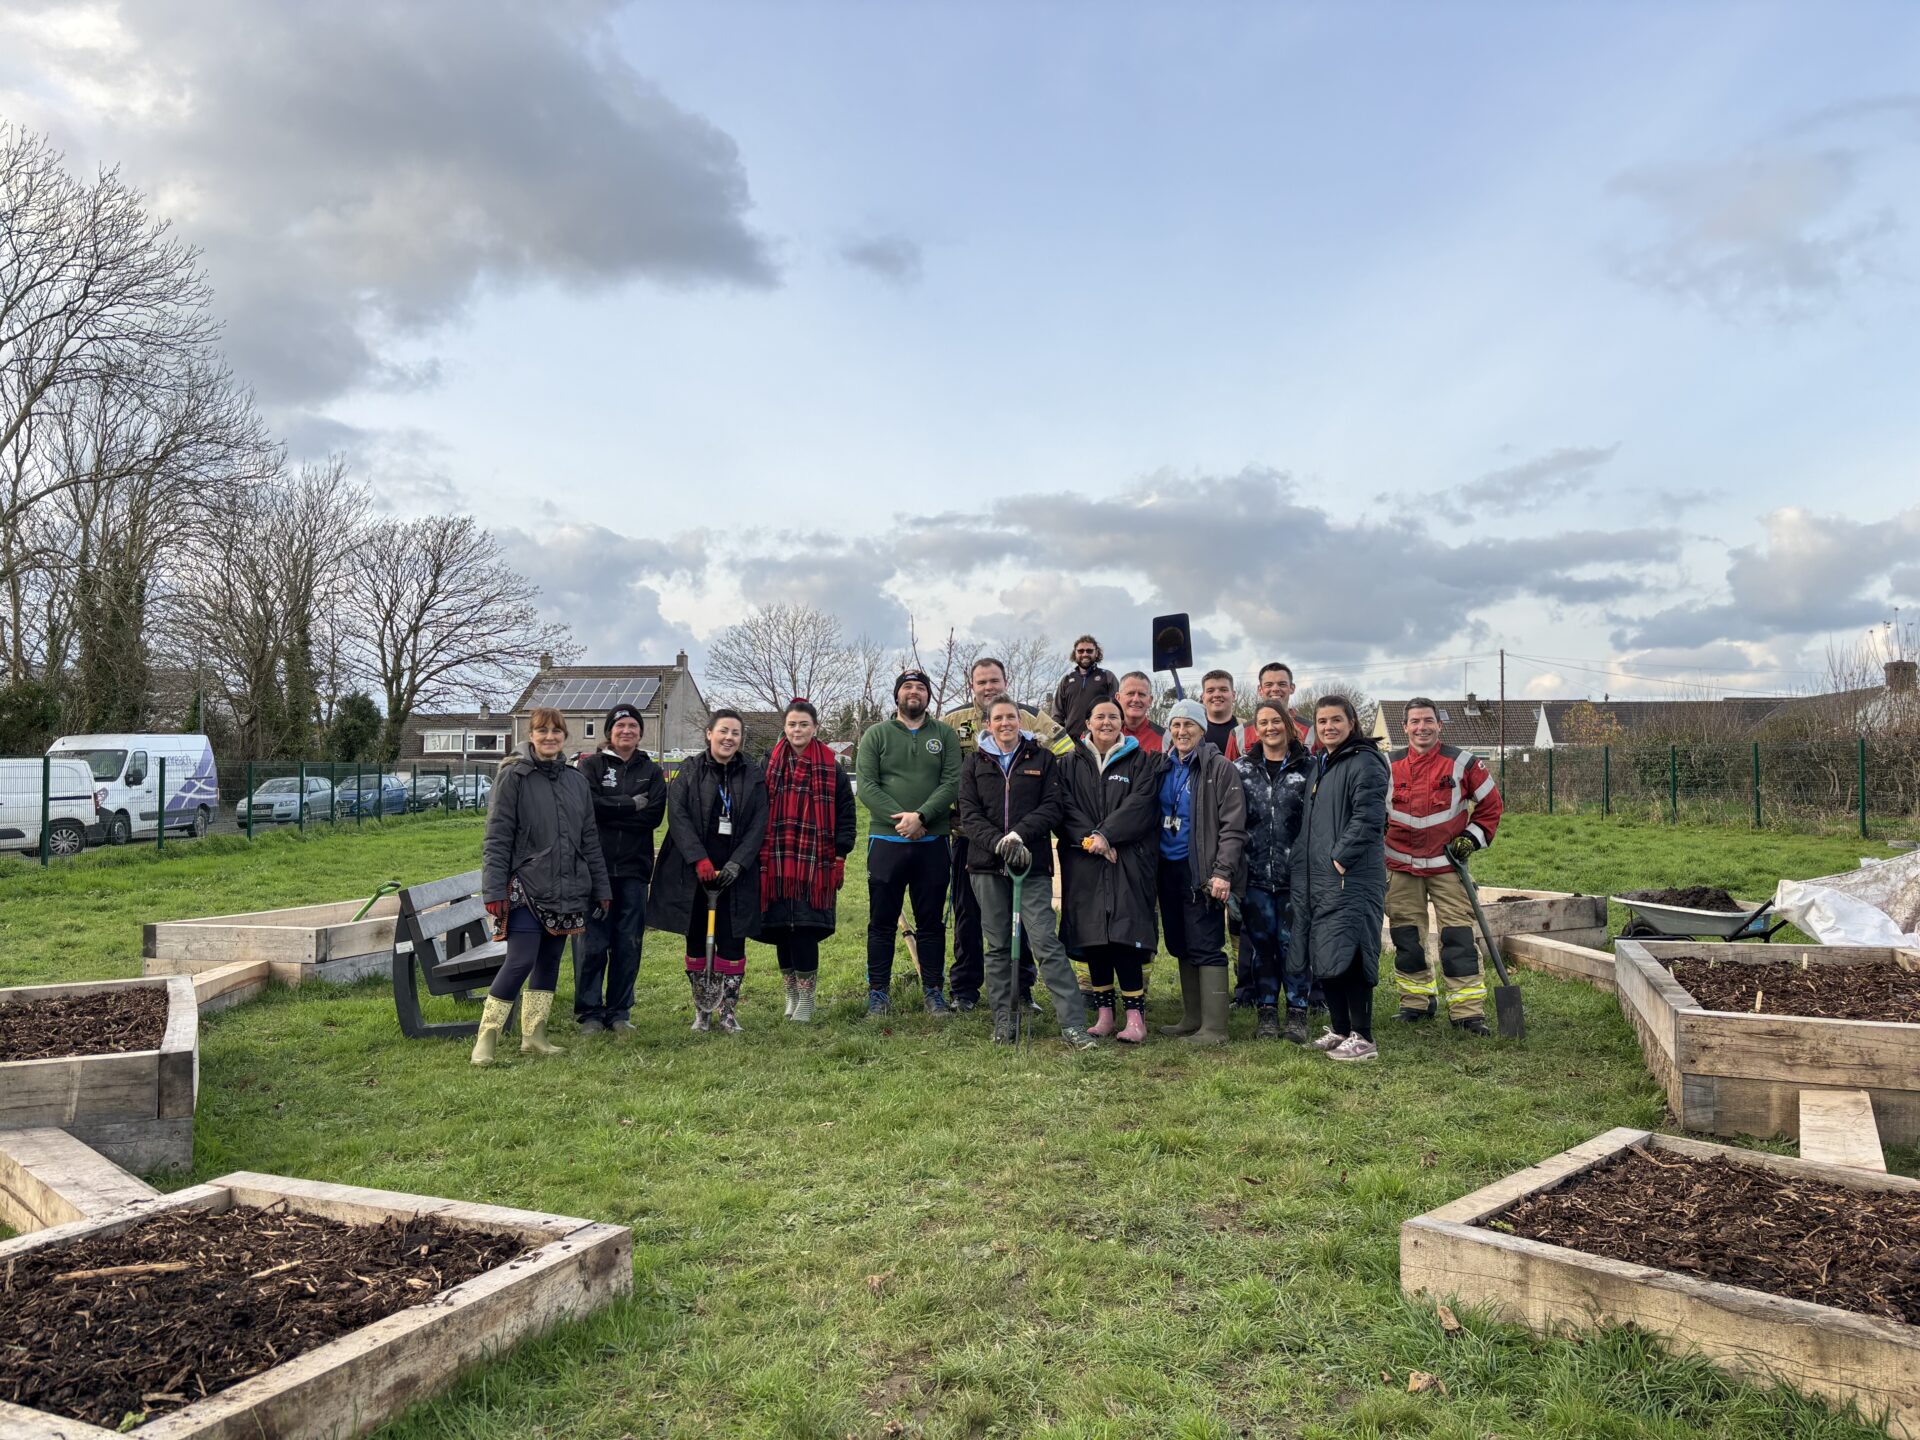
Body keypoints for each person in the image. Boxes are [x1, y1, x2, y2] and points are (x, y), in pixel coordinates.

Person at [957, 697, 1096, 1047]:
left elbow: (1053, 807)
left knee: (1045, 941)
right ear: (988, 724)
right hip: (987, 866)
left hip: (1031, 865)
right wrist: (998, 842)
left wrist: (1020, 835)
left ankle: (1074, 1025)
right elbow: (968, 815)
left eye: (1012, 717)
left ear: (1021, 722)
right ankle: (1004, 1020)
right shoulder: (974, 764)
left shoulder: (1042, 759)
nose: (1005, 723)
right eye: (998, 718)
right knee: (999, 945)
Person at [475, 708, 610, 1066]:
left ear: (565, 736)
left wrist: (601, 886)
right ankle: (486, 1038)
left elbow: (590, 839)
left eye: (556, 731)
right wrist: (493, 891)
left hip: (567, 887)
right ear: (531, 735)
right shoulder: (513, 776)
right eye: (542, 731)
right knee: (520, 961)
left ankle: (534, 1035)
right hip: (525, 887)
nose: (549, 737)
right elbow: (497, 837)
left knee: (550, 962)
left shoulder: (576, 780)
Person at [942, 657, 1067, 1012]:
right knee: (968, 917)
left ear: (1005, 681)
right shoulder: (952, 722)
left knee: (1022, 920)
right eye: (981, 682)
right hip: (971, 837)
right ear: (972, 686)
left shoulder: (1030, 718)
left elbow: (1065, 750)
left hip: (1023, 840)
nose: (988, 687)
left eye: (994, 681)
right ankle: (965, 991)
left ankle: (1022, 990)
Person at [1385, 697, 1506, 1034]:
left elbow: (1491, 806)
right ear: (1404, 727)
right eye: (1415, 722)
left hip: (1447, 867)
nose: (1421, 727)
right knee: (1406, 938)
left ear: (1440, 725)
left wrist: (1471, 838)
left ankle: (1467, 1012)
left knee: (1459, 938)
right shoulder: (1387, 765)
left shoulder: (1464, 763)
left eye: (1428, 721)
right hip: (1401, 867)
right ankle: (1416, 1004)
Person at [650, 710, 769, 1033]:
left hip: (735, 876)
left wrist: (738, 863)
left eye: (735, 733)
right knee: (696, 941)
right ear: (709, 734)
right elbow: (678, 816)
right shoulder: (689, 771)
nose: (729, 738)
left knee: (732, 943)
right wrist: (698, 860)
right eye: (723, 731)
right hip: (695, 876)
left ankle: (727, 1011)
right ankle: (703, 1010)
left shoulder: (753, 775)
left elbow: (759, 822)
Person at [855, 670, 963, 1016]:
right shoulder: (877, 735)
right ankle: (878, 993)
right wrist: (902, 820)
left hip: (933, 840)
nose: (913, 692)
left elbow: (952, 782)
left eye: (920, 688)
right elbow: (868, 787)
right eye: (907, 687)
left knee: (931, 920)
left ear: (928, 696)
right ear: (897, 695)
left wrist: (923, 817)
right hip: (886, 840)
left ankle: (933, 990)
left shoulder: (944, 734)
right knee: (882, 921)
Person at [1291, 694, 1390, 1063]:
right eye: (1322, 721)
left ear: (1352, 723)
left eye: (1336, 720)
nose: (1329, 726)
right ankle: (1339, 1029)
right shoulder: (1324, 765)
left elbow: (1369, 817)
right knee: (1327, 953)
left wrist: (1339, 859)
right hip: (1320, 877)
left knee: (1351, 954)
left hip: (1350, 877)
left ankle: (1363, 1037)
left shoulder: (1365, 762)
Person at [1057, 697, 1163, 1043]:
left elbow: (1141, 805)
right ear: (1087, 722)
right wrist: (1092, 841)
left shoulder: (1139, 761)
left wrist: (1108, 834)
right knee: (1094, 938)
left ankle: (1135, 1018)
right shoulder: (1069, 763)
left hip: (1127, 859)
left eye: (1113, 717)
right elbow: (1065, 807)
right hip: (1085, 860)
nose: (1106, 722)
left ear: (1122, 723)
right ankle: (1104, 1015)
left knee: (1124, 936)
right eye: (1099, 716)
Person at [1154, 698, 1248, 1046]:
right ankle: (1192, 1017)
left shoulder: (1220, 769)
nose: (1181, 731)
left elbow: (1233, 826)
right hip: (1168, 869)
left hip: (1203, 873)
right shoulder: (1164, 767)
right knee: (1180, 943)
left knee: (1207, 944)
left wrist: (1223, 871)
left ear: (1202, 729)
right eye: (1176, 725)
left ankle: (1215, 1028)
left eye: (1189, 725)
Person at [572, 702, 667, 1035]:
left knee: (628, 943)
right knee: (594, 944)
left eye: (633, 726)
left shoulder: (651, 771)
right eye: (620, 726)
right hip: (596, 870)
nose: (627, 731)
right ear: (609, 732)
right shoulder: (591, 766)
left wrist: (613, 813)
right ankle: (590, 1013)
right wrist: (628, 804)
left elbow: (653, 816)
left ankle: (619, 1012)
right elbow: (590, 807)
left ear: (641, 732)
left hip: (635, 870)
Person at [759, 698, 855, 1024]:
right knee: (780, 929)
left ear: (814, 728)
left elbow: (845, 815)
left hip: (815, 863)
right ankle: (791, 993)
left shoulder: (831, 767)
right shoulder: (768, 765)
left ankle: (808, 998)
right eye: (791, 724)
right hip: (776, 859)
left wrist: (840, 855)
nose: (797, 730)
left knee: (804, 927)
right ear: (784, 728)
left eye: (803, 724)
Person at [1235, 699, 1312, 1041]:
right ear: (1255, 728)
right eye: (1263, 722)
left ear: (1288, 724)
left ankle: (1297, 1012)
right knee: (1262, 946)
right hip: (1255, 875)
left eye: (1276, 721)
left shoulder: (1310, 767)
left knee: (1295, 946)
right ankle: (1266, 1010)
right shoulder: (1241, 769)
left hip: (1296, 874)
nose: (1270, 727)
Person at [1050, 635, 1119, 740]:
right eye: (1081, 651)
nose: (1085, 654)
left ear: (1096, 653)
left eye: (1089, 651)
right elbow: (1057, 713)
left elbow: (1116, 709)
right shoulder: (1066, 680)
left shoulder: (1107, 677)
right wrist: (1059, 736)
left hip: (1099, 740)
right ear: (1075, 653)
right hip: (1071, 742)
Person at [1237, 662, 1310, 754]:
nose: (1275, 689)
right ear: (1260, 689)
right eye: (1269, 685)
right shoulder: (1239, 733)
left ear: (1292, 688)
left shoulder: (1312, 731)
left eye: (1282, 684)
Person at [1198, 670, 1245, 760]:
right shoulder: (1193, 731)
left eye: (1223, 690)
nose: (1217, 695)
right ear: (1203, 697)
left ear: (1234, 695)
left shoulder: (1247, 730)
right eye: (1210, 691)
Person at [1115, 670, 1165, 753]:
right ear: (1118, 698)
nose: (1136, 699)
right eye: (1130, 693)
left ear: (1150, 701)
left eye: (1142, 694)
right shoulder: (1101, 734)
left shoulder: (1166, 739)